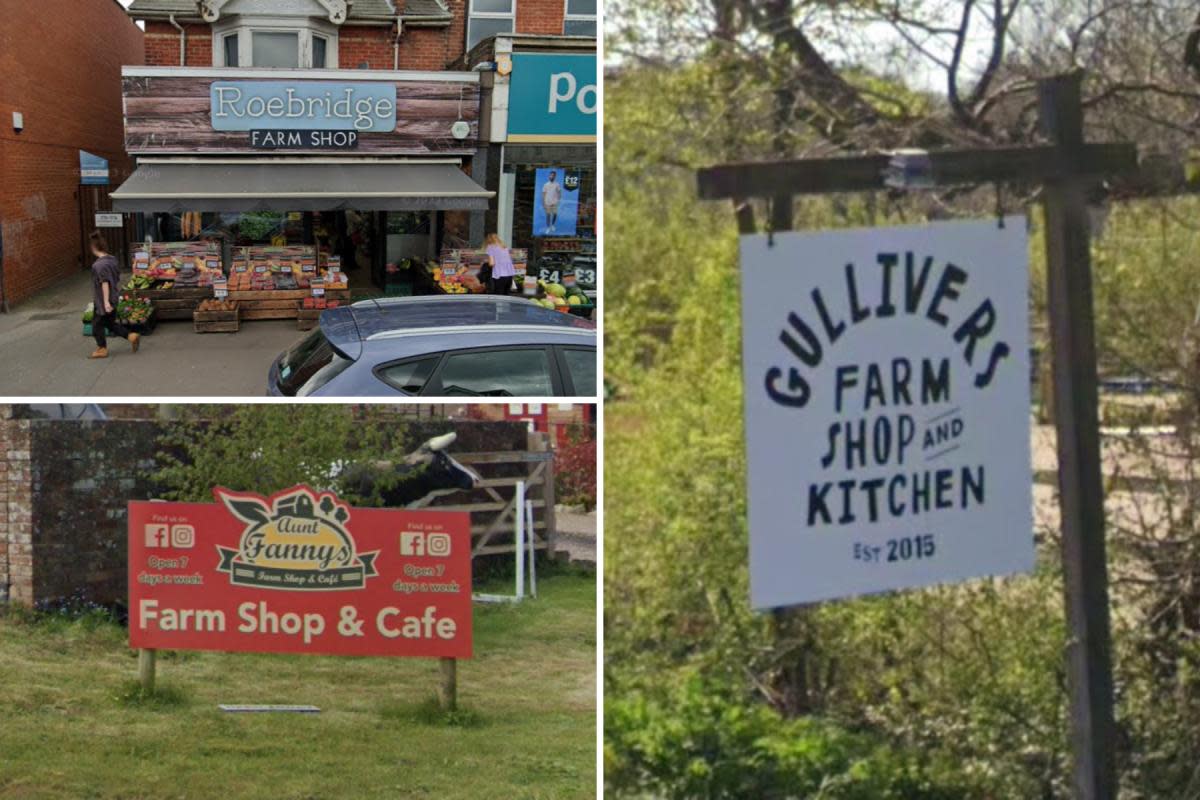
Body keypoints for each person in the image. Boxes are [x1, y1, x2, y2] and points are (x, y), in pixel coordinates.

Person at [88, 230, 139, 359]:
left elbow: (104, 283)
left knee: (96, 326)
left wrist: (105, 303)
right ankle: (131, 336)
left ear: (94, 247)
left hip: (104, 301)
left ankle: (102, 349)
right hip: (114, 297)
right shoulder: (112, 260)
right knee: (110, 324)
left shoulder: (99, 265)